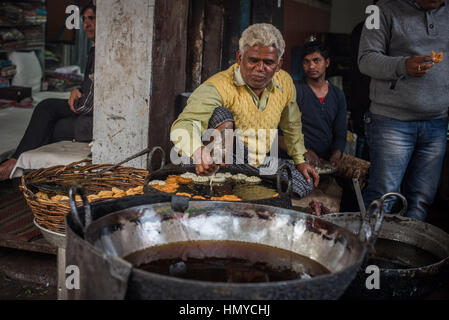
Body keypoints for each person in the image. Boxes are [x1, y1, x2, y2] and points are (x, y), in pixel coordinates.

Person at [170, 23, 319, 198]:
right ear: (240, 58)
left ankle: (246, 187)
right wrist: (198, 152)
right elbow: (184, 124)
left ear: (279, 65)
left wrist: (300, 161)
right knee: (221, 115)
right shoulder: (218, 86)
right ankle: (219, 183)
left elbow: (291, 124)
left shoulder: (285, 83)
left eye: (268, 62)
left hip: (256, 162)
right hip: (217, 160)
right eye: (253, 60)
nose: (260, 68)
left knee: (305, 180)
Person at [359, 0, 449, 221]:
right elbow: (366, 59)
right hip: (391, 122)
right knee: (383, 198)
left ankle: (402, 254)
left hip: (438, 122)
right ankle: (367, 253)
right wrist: (402, 65)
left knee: (420, 200)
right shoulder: (380, 10)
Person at [0, 2, 96, 181]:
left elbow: (87, 104)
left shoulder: (103, 52)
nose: (86, 24)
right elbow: (90, 85)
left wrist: (78, 102)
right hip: (88, 111)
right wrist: (77, 89)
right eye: (83, 20)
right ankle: (19, 164)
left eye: (91, 18)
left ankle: (19, 166)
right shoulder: (94, 50)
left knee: (50, 124)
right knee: (46, 107)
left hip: (93, 117)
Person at [291, 40, 347, 169]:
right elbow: (281, 132)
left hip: (325, 163)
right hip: (297, 161)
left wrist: (336, 154)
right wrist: (304, 152)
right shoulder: (294, 91)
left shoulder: (337, 95)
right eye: (306, 61)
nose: (311, 66)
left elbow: (340, 133)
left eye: (316, 61)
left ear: (327, 62)